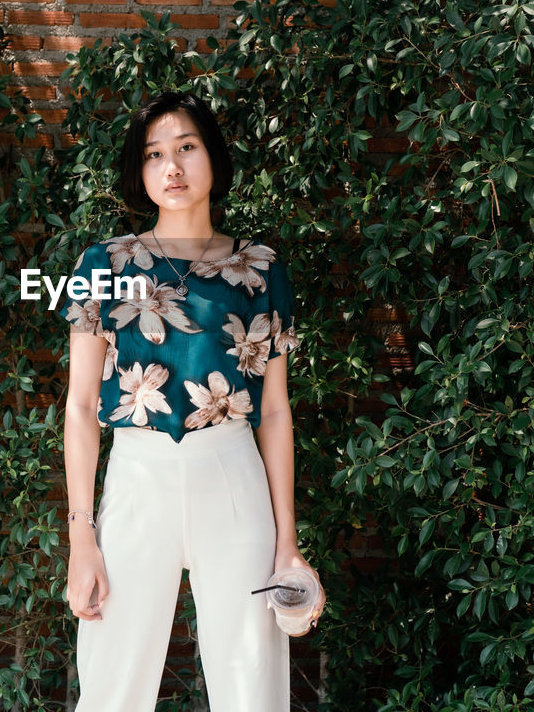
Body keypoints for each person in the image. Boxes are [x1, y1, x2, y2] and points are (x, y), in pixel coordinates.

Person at [58, 90, 324, 711]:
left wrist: (288, 542)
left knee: (251, 683)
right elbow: (78, 408)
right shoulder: (104, 264)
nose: (171, 167)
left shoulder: (259, 269)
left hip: (232, 476)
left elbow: (277, 411)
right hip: (136, 478)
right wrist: (81, 540)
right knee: (111, 685)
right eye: (154, 154)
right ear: (139, 170)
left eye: (186, 148)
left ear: (212, 158)